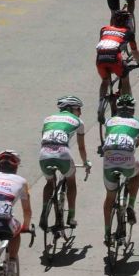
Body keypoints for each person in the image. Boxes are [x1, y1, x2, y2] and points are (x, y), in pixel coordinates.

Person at [101, 93, 139, 238]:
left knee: (109, 198)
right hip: (127, 159)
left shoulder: (109, 122)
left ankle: (107, 233)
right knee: (137, 172)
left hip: (109, 159)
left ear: (117, 109)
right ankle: (130, 205)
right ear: (133, 109)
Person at [38, 95, 90, 231]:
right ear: (71, 108)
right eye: (78, 109)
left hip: (44, 154)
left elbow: (44, 138)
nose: (80, 112)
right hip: (63, 154)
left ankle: (44, 211)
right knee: (71, 181)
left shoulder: (48, 119)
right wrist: (86, 162)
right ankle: (71, 216)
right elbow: (81, 148)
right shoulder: (78, 121)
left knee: (49, 182)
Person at [96, 9, 139, 102]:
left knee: (105, 81)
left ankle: (101, 104)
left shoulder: (104, 29)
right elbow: (134, 51)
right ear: (127, 22)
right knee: (125, 79)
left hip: (100, 58)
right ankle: (126, 102)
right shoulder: (128, 32)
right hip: (114, 58)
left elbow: (103, 44)